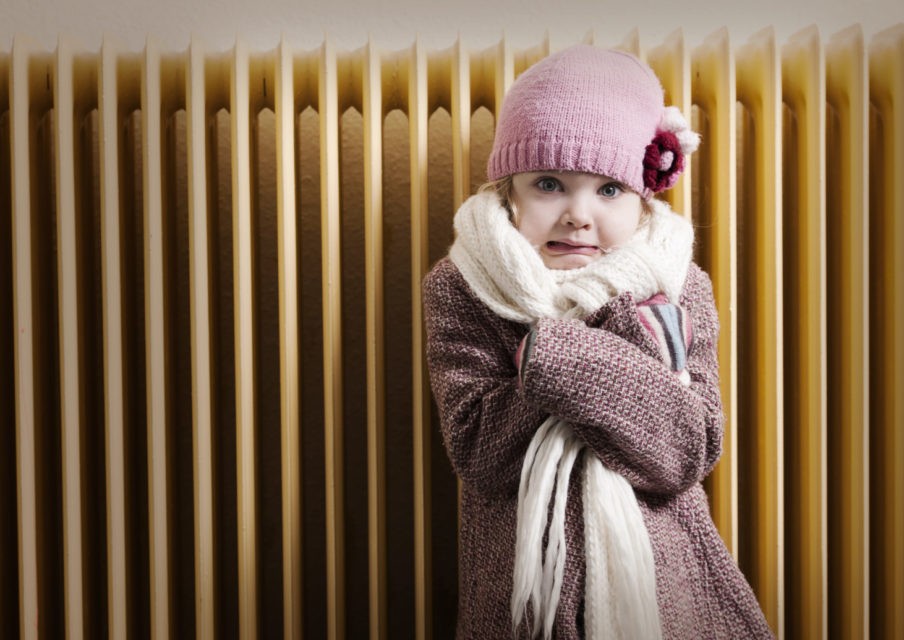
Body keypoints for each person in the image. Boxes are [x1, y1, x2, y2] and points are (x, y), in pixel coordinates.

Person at [423, 45, 773, 639]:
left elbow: (685, 452)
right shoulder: (462, 287)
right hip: (520, 586)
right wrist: (596, 358)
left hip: (662, 581)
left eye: (609, 189)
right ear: (510, 191)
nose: (578, 215)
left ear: (643, 198)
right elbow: (480, 453)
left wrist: (559, 357)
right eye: (550, 184)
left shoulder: (676, 286)